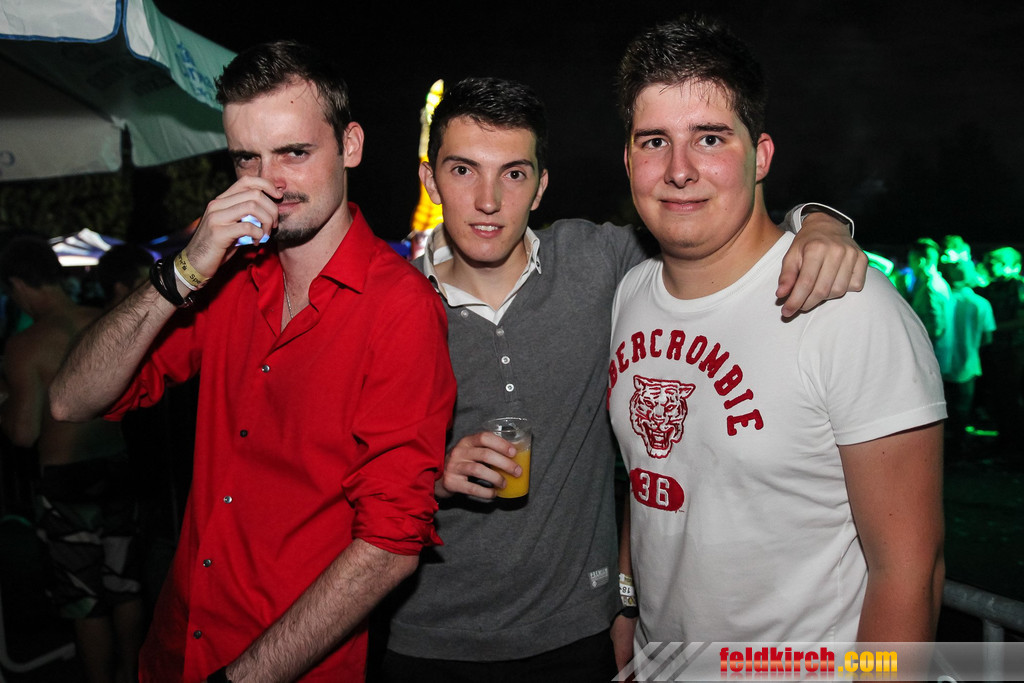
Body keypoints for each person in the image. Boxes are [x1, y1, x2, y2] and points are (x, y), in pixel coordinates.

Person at [378, 75, 867, 682]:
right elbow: (337, 478)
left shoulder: (598, 263)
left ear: (541, 186)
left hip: (577, 634)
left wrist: (817, 222)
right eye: (463, 171)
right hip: (430, 641)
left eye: (513, 173)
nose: (487, 200)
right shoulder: (390, 309)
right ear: (430, 180)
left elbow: (718, 227)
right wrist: (432, 479)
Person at [48, 40, 457, 683]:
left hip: (281, 666)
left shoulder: (399, 307)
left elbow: (388, 547)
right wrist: (184, 269)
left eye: (295, 152)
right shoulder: (226, 279)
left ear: (349, 145)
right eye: (247, 158)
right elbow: (72, 399)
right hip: (175, 648)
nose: (271, 182)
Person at [607, 13, 946, 658]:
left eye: (710, 138)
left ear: (760, 156)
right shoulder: (631, 294)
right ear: (628, 160)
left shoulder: (849, 311)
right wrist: (627, 603)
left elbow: (911, 572)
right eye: (654, 142)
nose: (679, 170)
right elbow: (650, 473)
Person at [0, 235, 145, 683]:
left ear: (17, 285)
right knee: (125, 585)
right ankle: (131, 675)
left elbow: (23, 432)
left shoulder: (26, 345)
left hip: (66, 484)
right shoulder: (103, 321)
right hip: (117, 466)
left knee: (85, 598)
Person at [938, 259, 995, 457]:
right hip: (968, 365)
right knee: (962, 411)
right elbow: (987, 338)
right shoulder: (982, 304)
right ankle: (959, 449)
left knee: (941, 411)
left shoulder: (942, 299)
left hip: (940, 365)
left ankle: (942, 452)